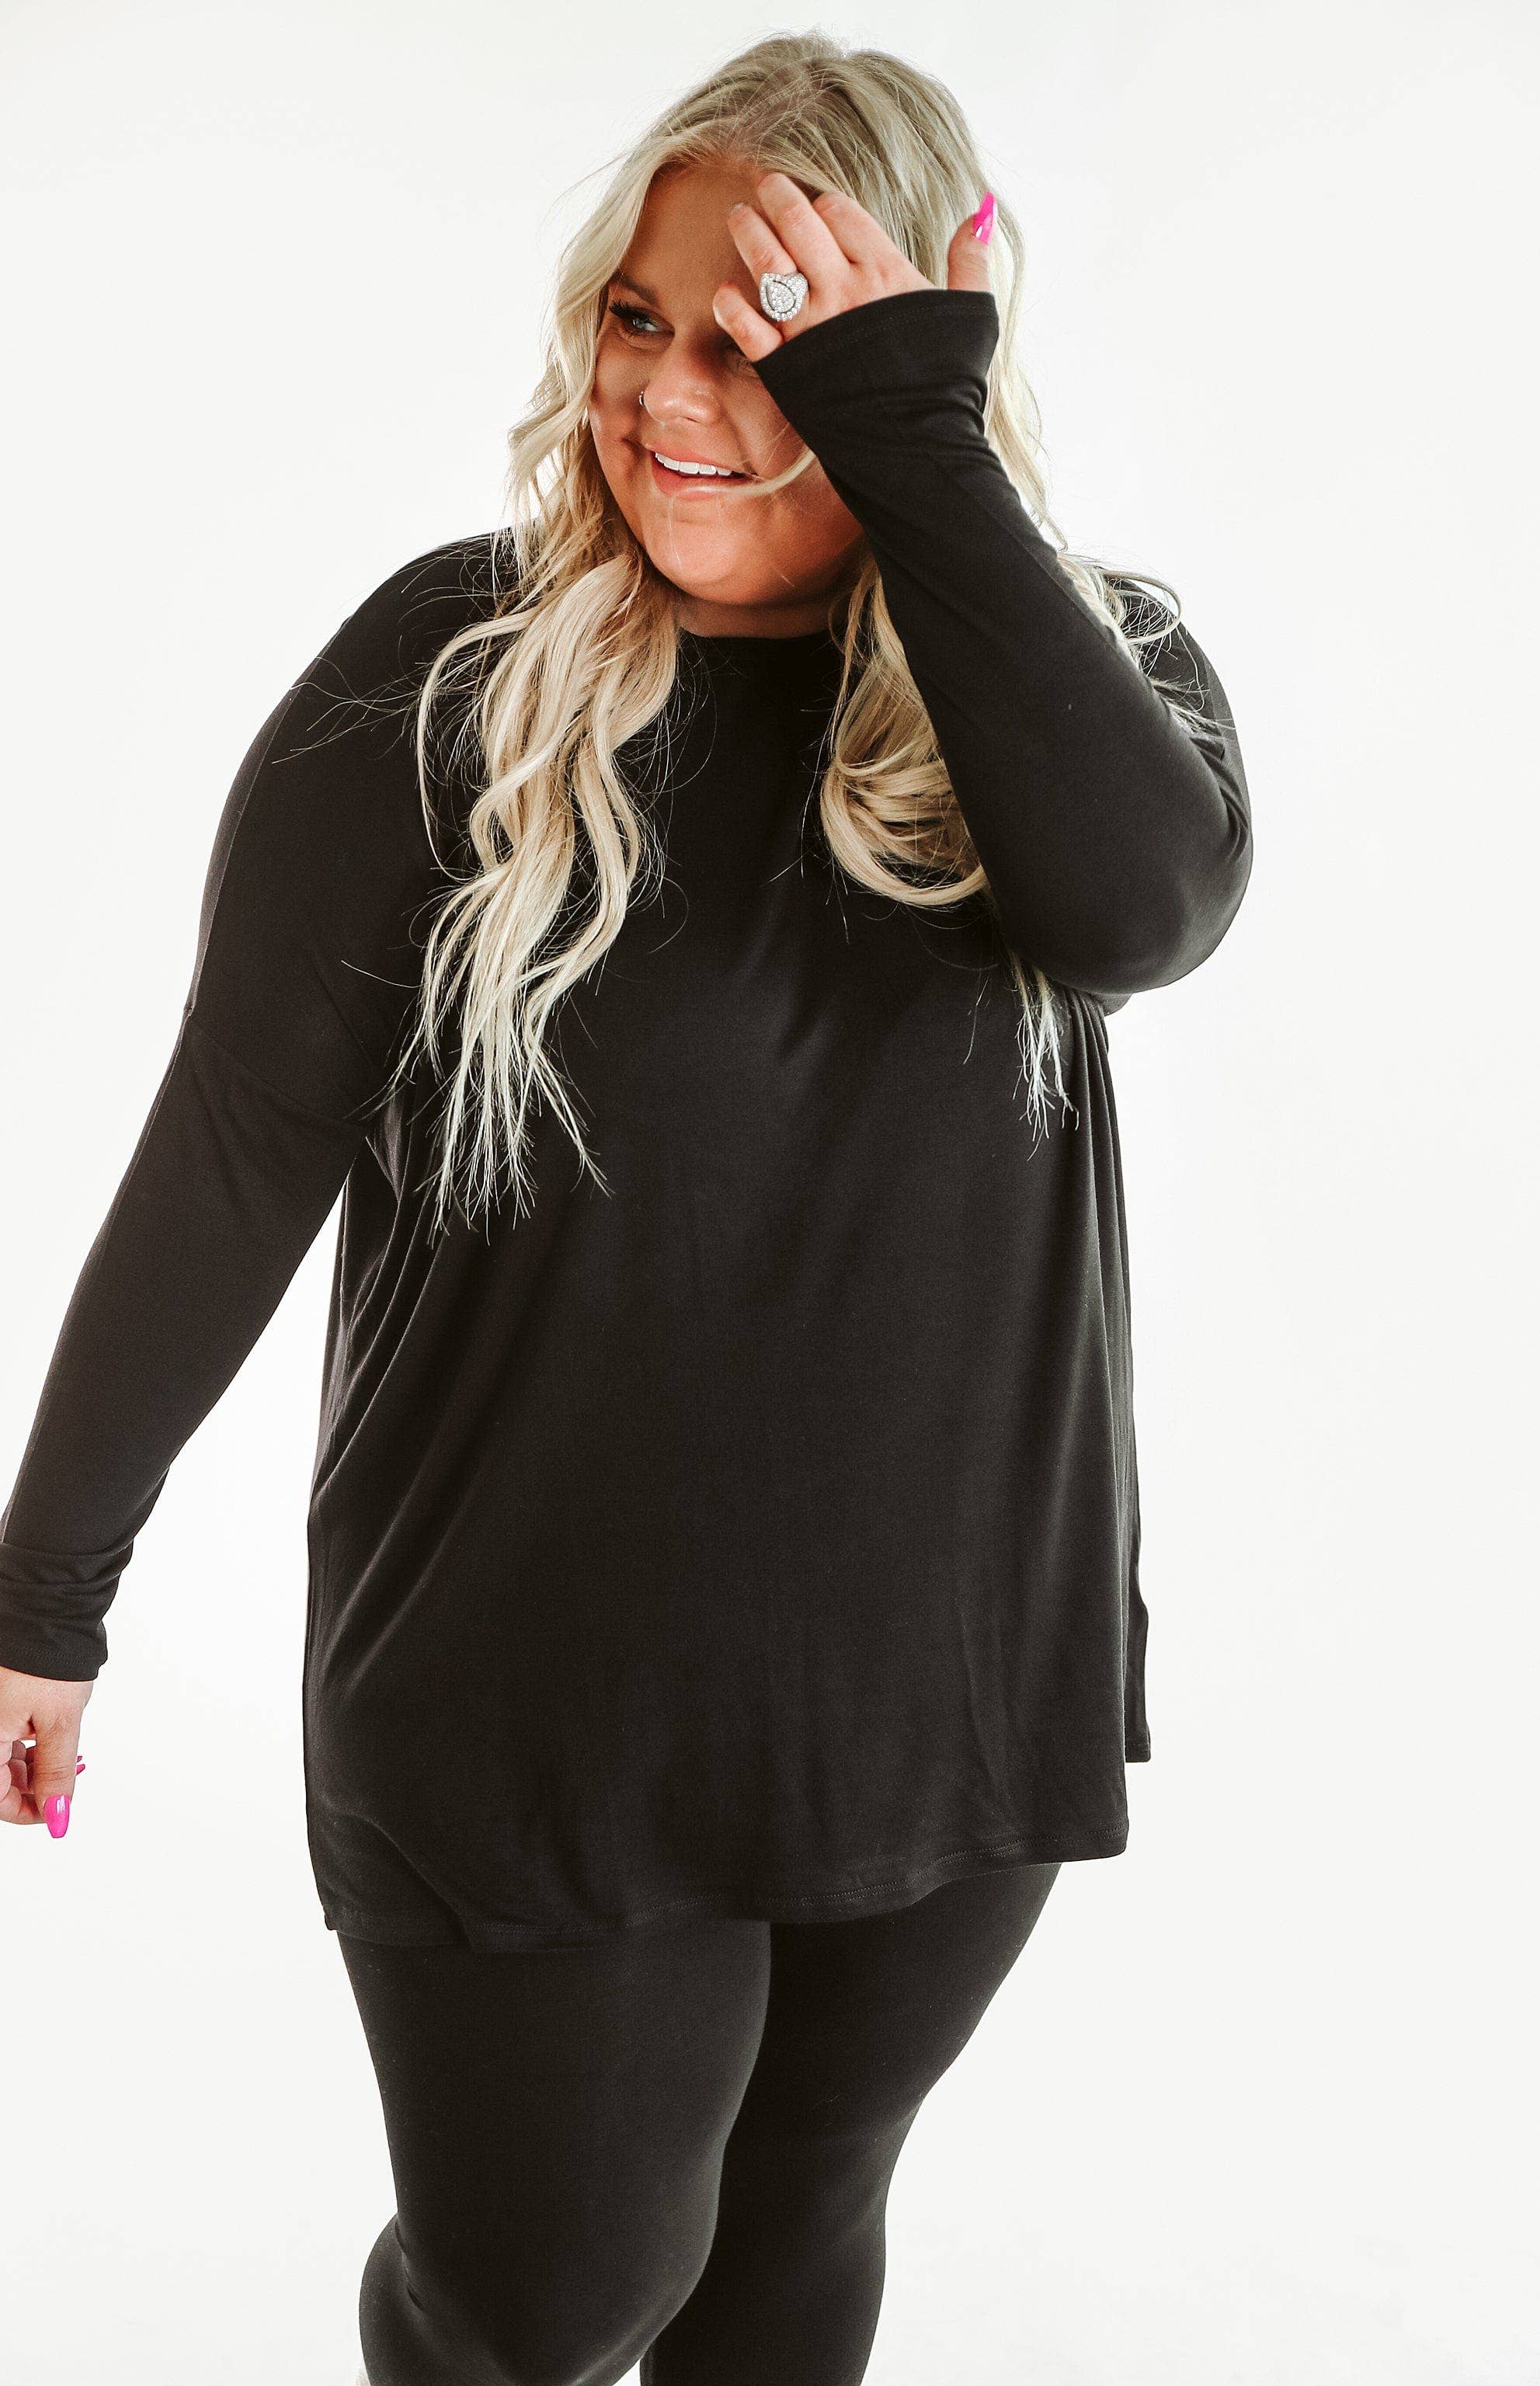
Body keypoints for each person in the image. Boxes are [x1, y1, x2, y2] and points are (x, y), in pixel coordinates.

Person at [0, 32, 1253, 2386]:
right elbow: (237, 1148)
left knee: (797, 2234)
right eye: (638, 317)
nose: (667, 394)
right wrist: (44, 1585)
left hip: (936, 1678)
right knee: (545, 2301)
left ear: (918, 354)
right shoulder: (450, 677)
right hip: (531, 1698)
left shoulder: (1074, 681)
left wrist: (916, 448)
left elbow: (1144, 913)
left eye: (766, 342)